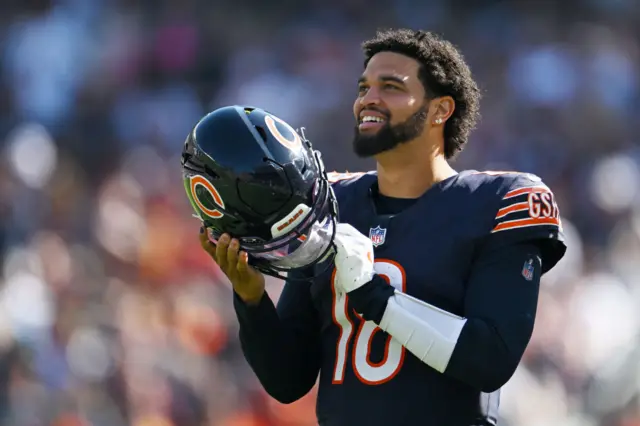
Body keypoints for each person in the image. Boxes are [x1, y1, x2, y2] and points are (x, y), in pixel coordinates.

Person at [185, 28, 567, 426]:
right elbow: (288, 381)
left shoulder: (500, 200)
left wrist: (375, 297)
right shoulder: (331, 201)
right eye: (364, 87)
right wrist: (252, 301)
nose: (369, 99)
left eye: (391, 87)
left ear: (440, 110)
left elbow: (490, 359)